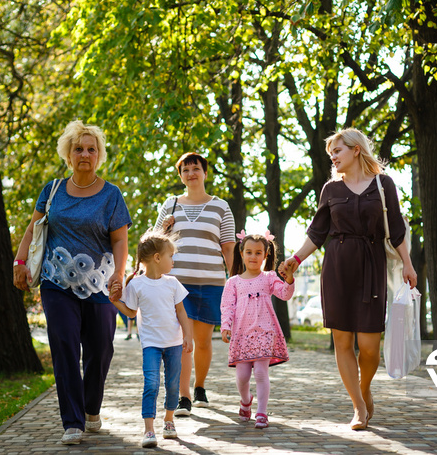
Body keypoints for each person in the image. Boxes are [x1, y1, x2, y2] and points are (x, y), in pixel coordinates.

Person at [282, 128, 417, 430]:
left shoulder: (383, 184)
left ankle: (364, 387)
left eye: (338, 150)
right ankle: (358, 406)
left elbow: (396, 228)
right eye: (331, 152)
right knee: (342, 342)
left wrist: (408, 264)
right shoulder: (330, 190)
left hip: (372, 265)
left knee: (369, 347)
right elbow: (317, 232)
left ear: (356, 150)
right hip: (337, 266)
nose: (333, 156)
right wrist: (295, 259)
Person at [13, 120, 131, 445]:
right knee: (64, 344)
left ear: (99, 155)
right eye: (78, 148)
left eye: (91, 149)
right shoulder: (52, 190)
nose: (85, 153)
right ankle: (73, 422)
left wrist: (119, 275)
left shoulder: (111, 195)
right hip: (55, 283)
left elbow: (120, 240)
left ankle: (92, 408)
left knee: (101, 349)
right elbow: (32, 229)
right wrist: (19, 263)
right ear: (68, 153)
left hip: (100, 284)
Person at [155, 152, 236, 416]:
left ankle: (200, 387)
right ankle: (184, 396)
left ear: (205, 172)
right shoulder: (170, 205)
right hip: (178, 285)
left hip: (212, 283)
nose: (191, 173)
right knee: (183, 341)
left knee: (202, 341)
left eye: (196, 168)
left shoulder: (221, 206)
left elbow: (228, 248)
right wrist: (164, 230)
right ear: (180, 176)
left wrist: (234, 283)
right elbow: (153, 243)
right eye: (185, 170)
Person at [108, 231, 193, 448]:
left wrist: (188, 336)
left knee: (173, 385)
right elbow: (130, 312)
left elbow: (182, 312)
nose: (173, 261)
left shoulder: (173, 283)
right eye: (170, 256)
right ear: (157, 258)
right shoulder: (136, 285)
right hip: (151, 345)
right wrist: (114, 301)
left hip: (174, 343)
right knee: (151, 384)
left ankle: (169, 421)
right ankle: (148, 430)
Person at [220, 231, 296, 429]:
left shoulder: (269, 278)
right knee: (242, 377)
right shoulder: (233, 282)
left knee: (262, 373)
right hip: (241, 335)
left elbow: (284, 294)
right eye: (249, 252)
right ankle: (246, 401)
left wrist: (289, 280)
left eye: (258, 253)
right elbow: (227, 306)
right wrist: (225, 327)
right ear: (242, 253)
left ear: (265, 255)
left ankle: (261, 412)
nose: (253, 257)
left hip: (265, 332)